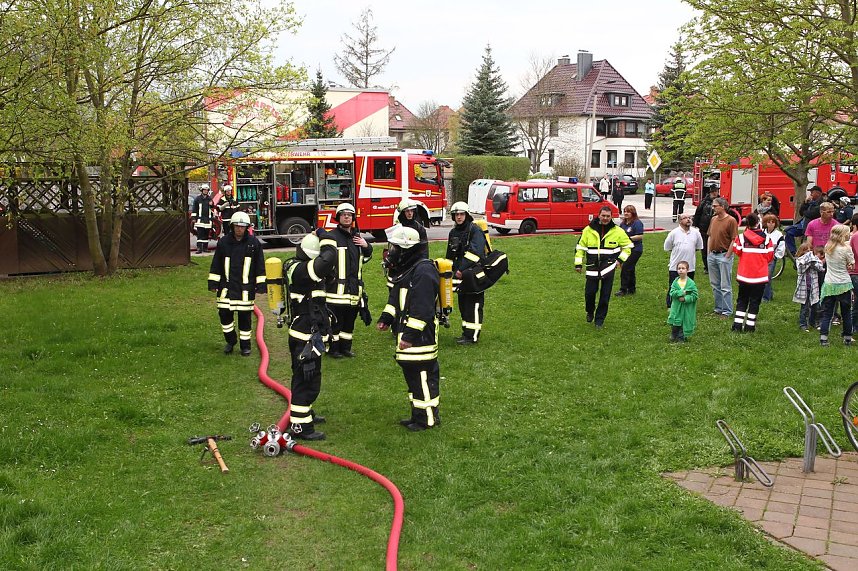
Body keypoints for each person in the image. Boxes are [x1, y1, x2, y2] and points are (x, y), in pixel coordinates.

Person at [377, 226, 441, 431]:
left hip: (420, 339)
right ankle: (417, 415)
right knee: (413, 378)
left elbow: (423, 310)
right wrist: (386, 318)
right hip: (408, 335)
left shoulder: (423, 271)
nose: (391, 251)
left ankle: (428, 419)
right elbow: (395, 299)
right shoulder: (406, 269)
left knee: (422, 377)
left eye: (394, 247)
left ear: (405, 248)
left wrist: (409, 336)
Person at [284, 230, 338, 441]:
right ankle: (301, 427)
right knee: (306, 381)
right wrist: (327, 239)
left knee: (308, 377)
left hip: (308, 334)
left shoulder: (301, 267)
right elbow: (327, 259)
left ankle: (305, 414)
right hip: (304, 337)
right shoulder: (301, 270)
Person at [208, 211, 266, 356]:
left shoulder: (254, 244)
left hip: (245, 290)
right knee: (224, 316)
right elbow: (216, 264)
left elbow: (260, 266)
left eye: (242, 226)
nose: (239, 229)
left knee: (245, 319)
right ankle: (230, 341)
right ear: (232, 226)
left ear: (247, 227)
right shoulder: (223, 243)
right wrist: (213, 283)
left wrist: (261, 285)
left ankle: (245, 346)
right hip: (226, 289)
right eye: (237, 226)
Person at [326, 203, 373, 358]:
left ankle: (346, 348)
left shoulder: (357, 238)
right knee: (336, 322)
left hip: (353, 290)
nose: (346, 216)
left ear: (353, 218)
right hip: (336, 290)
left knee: (349, 323)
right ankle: (334, 349)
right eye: (343, 214)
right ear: (338, 217)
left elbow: (365, 258)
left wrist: (366, 246)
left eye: (349, 214)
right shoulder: (332, 236)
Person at [574, 206, 632, 328]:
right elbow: (580, 248)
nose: (605, 218)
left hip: (609, 268)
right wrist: (578, 264)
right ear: (599, 215)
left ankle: (599, 320)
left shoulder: (618, 231)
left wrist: (620, 260)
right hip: (592, 267)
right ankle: (590, 311)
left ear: (611, 217)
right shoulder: (588, 230)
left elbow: (628, 247)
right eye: (603, 215)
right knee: (589, 293)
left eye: (608, 216)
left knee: (605, 296)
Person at [446, 202, 488, 344]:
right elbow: (450, 254)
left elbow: (475, 253)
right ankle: (466, 334)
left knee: (474, 304)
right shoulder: (453, 232)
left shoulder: (475, 230)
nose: (459, 217)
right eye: (456, 214)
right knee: (463, 304)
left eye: (462, 214)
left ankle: (473, 336)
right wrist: (448, 269)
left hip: (473, 274)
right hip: (459, 275)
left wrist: (461, 270)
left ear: (467, 215)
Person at [731, 213, 774, 332]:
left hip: (744, 275)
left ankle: (737, 325)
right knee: (755, 301)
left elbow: (737, 251)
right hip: (760, 276)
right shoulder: (767, 238)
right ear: (757, 223)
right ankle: (750, 326)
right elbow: (770, 256)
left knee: (742, 299)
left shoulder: (741, 237)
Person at [818, 224, 855, 347]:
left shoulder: (828, 247)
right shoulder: (846, 249)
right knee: (846, 313)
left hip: (829, 283)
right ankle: (847, 338)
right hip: (844, 283)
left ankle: (823, 339)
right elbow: (851, 264)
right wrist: (849, 264)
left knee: (828, 313)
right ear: (842, 235)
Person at [707, 197, 739, 318]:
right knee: (715, 284)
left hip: (723, 255)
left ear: (723, 207)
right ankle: (718, 308)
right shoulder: (713, 219)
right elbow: (710, 235)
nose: (713, 208)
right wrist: (709, 252)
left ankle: (727, 311)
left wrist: (728, 255)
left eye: (715, 206)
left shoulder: (731, 220)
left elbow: (734, 239)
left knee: (725, 285)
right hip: (713, 255)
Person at [663, 213, 704, 308]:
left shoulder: (696, 233)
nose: (688, 219)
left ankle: (686, 303)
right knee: (674, 286)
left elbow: (698, 247)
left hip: (690, 266)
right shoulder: (674, 233)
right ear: (680, 221)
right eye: (685, 218)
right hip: (675, 266)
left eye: (689, 218)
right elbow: (667, 247)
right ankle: (670, 305)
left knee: (688, 286)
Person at [793, 242, 825, 331]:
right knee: (804, 307)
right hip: (803, 288)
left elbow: (820, 268)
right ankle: (803, 324)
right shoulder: (799, 260)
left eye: (810, 250)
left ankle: (813, 322)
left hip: (813, 287)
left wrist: (813, 262)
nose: (808, 252)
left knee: (815, 306)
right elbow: (801, 269)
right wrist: (808, 262)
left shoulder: (814, 260)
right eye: (806, 251)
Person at [785, 185, 824, 254]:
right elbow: (801, 212)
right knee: (789, 231)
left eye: (812, 192)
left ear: (818, 193)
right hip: (803, 224)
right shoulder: (810, 202)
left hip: (811, 226)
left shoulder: (822, 204)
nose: (810, 194)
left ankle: (806, 253)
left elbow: (811, 214)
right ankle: (792, 251)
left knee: (807, 242)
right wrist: (805, 203)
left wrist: (805, 212)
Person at [667, 260, 699, 342]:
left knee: (682, 322)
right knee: (675, 322)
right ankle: (673, 335)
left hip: (685, 308)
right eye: (679, 268)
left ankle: (681, 338)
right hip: (676, 307)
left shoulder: (691, 283)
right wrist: (680, 293)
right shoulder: (675, 282)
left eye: (683, 268)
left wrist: (685, 299)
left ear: (687, 270)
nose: (681, 270)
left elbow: (694, 296)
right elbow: (672, 292)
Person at [616, 205, 643, 296]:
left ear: (633, 213)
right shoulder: (623, 224)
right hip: (625, 249)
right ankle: (631, 289)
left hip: (635, 249)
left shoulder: (637, 223)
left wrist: (628, 239)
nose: (626, 213)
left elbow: (640, 236)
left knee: (626, 268)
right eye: (625, 211)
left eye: (628, 212)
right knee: (630, 269)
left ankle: (623, 289)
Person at [692, 186, 720, 272]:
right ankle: (706, 266)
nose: (715, 193)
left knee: (716, 247)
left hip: (717, 228)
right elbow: (698, 213)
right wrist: (696, 224)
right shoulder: (704, 202)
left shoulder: (720, 202)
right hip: (704, 228)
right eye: (713, 191)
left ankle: (715, 265)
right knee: (704, 247)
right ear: (710, 192)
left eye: (716, 191)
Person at [761, 214, 786, 302]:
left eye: (773, 222)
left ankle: (765, 298)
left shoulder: (779, 235)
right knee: (762, 277)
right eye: (768, 222)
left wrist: (775, 256)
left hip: (771, 259)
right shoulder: (761, 233)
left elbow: (781, 248)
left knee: (767, 277)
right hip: (761, 258)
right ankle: (769, 294)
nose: (771, 224)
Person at [191, 185, 214, 254]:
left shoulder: (209, 199)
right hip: (200, 220)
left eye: (207, 190)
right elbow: (194, 209)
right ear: (202, 190)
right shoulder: (197, 199)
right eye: (204, 190)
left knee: (206, 235)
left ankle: (205, 248)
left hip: (207, 220)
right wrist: (194, 218)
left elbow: (212, 208)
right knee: (200, 234)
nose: (206, 191)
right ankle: (199, 248)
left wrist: (212, 205)